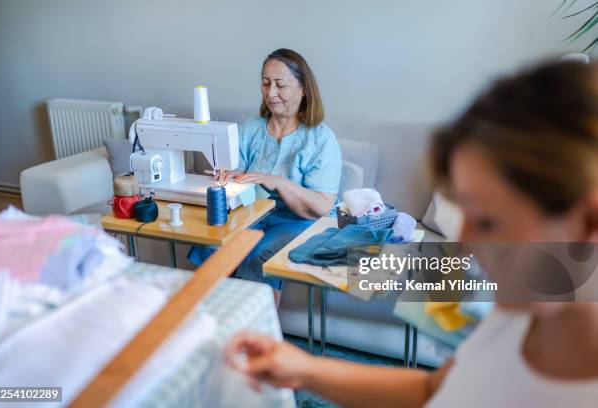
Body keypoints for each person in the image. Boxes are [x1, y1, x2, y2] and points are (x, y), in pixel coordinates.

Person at [225, 60, 598, 407]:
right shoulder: (518, 314)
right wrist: (304, 369)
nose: (464, 243)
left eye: (488, 221)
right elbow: (432, 389)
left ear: (589, 222)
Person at [189, 49, 342, 304]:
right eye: (266, 83)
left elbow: (321, 207)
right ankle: (209, 319)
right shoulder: (251, 128)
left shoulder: (320, 139)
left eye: (280, 85)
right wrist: (228, 176)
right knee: (212, 244)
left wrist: (278, 182)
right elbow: (236, 177)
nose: (271, 93)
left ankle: (259, 335)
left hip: (300, 222)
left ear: (304, 89)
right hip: (256, 213)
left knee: (261, 255)